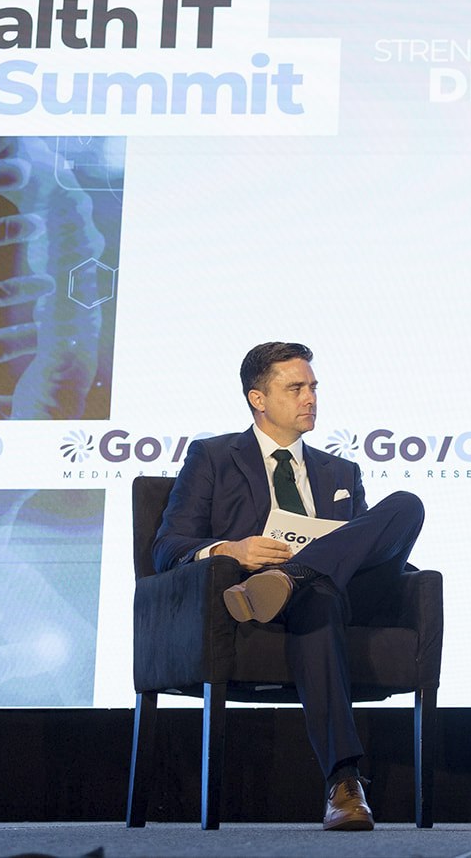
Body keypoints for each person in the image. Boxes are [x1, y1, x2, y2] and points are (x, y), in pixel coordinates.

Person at [152, 341, 425, 832]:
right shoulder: (213, 457)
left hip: (346, 593)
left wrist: (315, 564)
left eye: (313, 387)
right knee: (315, 603)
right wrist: (232, 549)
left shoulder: (342, 471)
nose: (310, 398)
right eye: (296, 388)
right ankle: (344, 783)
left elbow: (361, 547)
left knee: (407, 504)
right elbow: (167, 546)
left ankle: (294, 576)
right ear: (257, 399)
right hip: (256, 603)